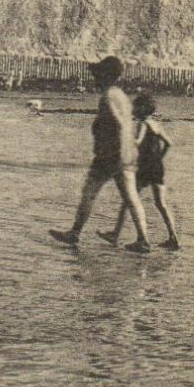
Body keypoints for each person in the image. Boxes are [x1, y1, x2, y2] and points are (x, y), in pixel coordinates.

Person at [49, 56, 152, 254]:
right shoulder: (121, 95)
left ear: (104, 76)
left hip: (111, 155)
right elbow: (127, 123)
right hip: (127, 154)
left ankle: (75, 232)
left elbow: (119, 123)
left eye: (97, 75)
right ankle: (143, 239)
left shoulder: (108, 97)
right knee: (131, 197)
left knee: (89, 192)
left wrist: (110, 147)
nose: (95, 78)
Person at [99, 92, 181, 251]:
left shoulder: (143, 124)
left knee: (128, 200)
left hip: (144, 168)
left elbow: (137, 141)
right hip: (157, 168)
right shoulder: (157, 124)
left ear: (142, 108)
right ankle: (173, 238)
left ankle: (116, 234)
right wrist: (159, 159)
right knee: (161, 204)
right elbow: (169, 143)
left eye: (135, 106)